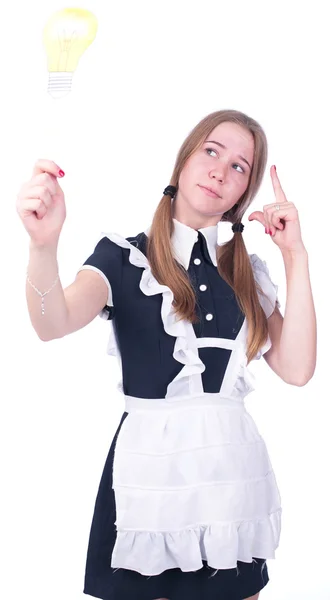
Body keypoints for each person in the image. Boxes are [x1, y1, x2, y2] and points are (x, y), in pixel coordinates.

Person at [16, 109, 316, 600]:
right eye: (212, 151)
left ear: (244, 194)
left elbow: (299, 368)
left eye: (241, 166)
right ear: (184, 162)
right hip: (147, 488)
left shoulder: (247, 277)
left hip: (230, 489)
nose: (221, 170)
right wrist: (42, 246)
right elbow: (51, 323)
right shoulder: (123, 257)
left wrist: (295, 256)